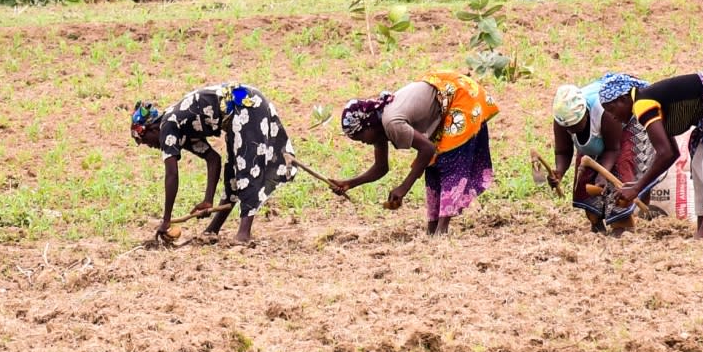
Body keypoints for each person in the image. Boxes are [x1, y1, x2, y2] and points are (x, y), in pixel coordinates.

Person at [555, 71, 703, 239]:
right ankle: (702, 229)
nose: (614, 118)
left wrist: (636, 188)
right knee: (698, 165)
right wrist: (639, 184)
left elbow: (665, 153)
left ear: (624, 99)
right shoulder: (646, 103)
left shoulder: (643, 104)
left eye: (613, 111)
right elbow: (672, 152)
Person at [332, 71, 499, 235]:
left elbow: (427, 149)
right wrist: (349, 183)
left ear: (367, 124)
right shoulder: (378, 128)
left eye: (360, 136)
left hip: (460, 95)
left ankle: (442, 230)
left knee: (448, 161)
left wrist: (404, 187)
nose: (362, 142)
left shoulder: (391, 122)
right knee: (433, 164)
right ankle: (433, 229)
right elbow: (381, 167)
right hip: (444, 99)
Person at [129, 83, 297, 245]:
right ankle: (213, 229)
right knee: (232, 176)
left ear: (152, 129)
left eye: (144, 140)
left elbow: (171, 174)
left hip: (246, 104)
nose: (149, 145)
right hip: (238, 114)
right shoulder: (178, 127)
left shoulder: (167, 126)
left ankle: (244, 234)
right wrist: (208, 201)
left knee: (247, 168)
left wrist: (166, 220)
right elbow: (213, 159)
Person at [549, 74, 680, 234]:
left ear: (586, 114)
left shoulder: (605, 112)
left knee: (622, 166)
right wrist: (559, 172)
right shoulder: (563, 118)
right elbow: (563, 151)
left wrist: (602, 174)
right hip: (602, 135)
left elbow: (613, 149)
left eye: (576, 125)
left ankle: (622, 225)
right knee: (585, 173)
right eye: (568, 128)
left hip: (626, 123)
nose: (571, 131)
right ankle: (595, 221)